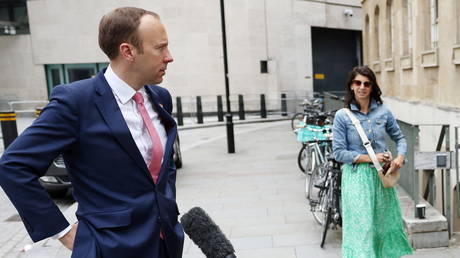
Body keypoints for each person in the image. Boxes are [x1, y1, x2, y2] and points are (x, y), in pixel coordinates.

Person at [0, 7, 183, 258]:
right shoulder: (76, 101)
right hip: (108, 248)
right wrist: (62, 231)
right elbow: (12, 166)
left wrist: (168, 209)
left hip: (166, 243)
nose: (169, 56)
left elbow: (164, 169)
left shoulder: (160, 98)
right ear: (128, 51)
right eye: (160, 47)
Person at [332, 66, 413, 257]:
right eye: (357, 83)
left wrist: (400, 157)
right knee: (363, 229)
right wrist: (371, 157)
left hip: (382, 177)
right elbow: (339, 153)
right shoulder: (342, 116)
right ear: (351, 86)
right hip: (357, 177)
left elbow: (400, 138)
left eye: (367, 83)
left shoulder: (383, 112)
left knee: (384, 225)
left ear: (372, 86)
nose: (362, 87)